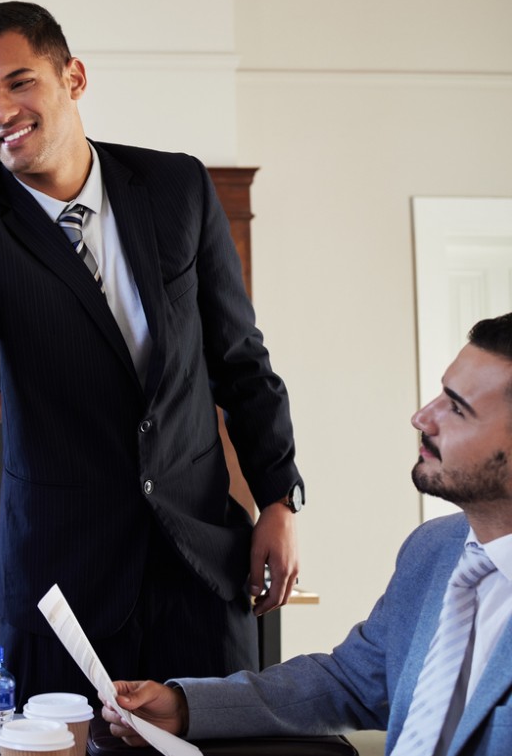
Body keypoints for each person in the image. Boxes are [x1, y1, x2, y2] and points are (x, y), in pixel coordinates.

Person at [0, 1, 304, 704]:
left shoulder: (178, 189)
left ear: (73, 77)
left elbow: (240, 358)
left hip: (198, 571)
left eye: (20, 83)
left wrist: (277, 499)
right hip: (63, 588)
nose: (0, 112)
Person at [103, 314, 512, 756]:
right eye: (441, 393)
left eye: (457, 408)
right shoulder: (433, 548)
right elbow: (351, 683)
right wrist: (186, 706)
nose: (421, 417)